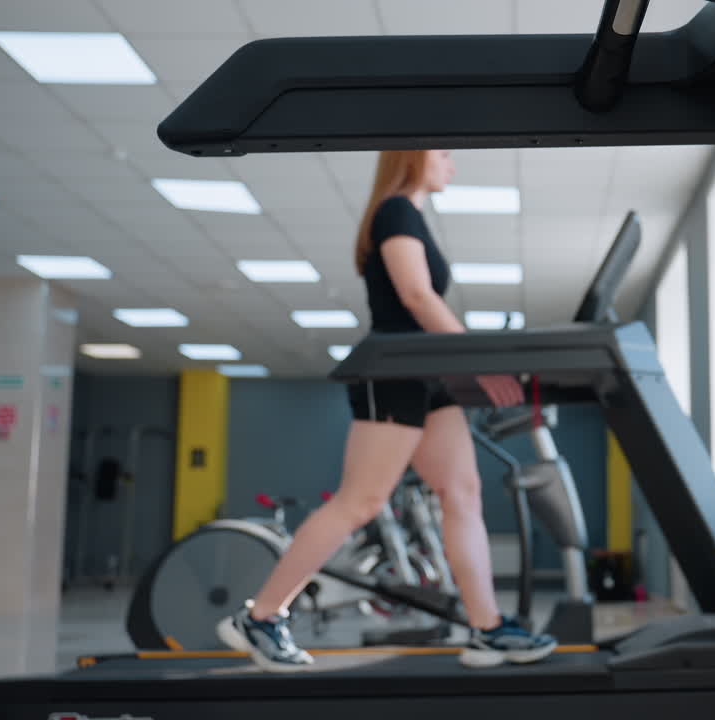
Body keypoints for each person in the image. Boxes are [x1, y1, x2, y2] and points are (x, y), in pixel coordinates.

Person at [217, 149, 557, 672]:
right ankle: (261, 616)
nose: (451, 164)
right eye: (443, 153)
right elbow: (417, 296)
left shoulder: (411, 215)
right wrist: (480, 363)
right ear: (415, 154)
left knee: (462, 492)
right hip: (397, 367)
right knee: (361, 501)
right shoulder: (396, 211)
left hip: (429, 371)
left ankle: (487, 628)